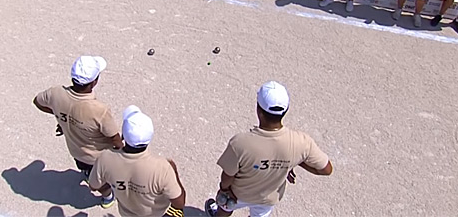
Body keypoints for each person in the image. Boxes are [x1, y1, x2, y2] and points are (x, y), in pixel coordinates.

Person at [205, 81, 333, 217]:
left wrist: (224, 189)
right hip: (268, 198)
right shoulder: (302, 142)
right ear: (286, 110)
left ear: (259, 111)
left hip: (238, 195)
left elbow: (227, 176)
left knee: (224, 208)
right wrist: (293, 161)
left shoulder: (240, 143)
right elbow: (326, 169)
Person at [33, 56, 123, 185]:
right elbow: (114, 139)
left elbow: (37, 101)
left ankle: (90, 178)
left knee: (88, 172)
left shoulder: (55, 92)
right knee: (104, 181)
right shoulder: (99, 110)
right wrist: (123, 150)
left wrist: (62, 117)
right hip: (100, 158)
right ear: (94, 82)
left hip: (77, 153)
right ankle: (107, 195)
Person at [88, 105, 186, 216]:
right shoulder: (162, 168)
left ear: (123, 136)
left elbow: (94, 185)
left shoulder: (105, 158)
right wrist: (174, 172)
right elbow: (179, 203)